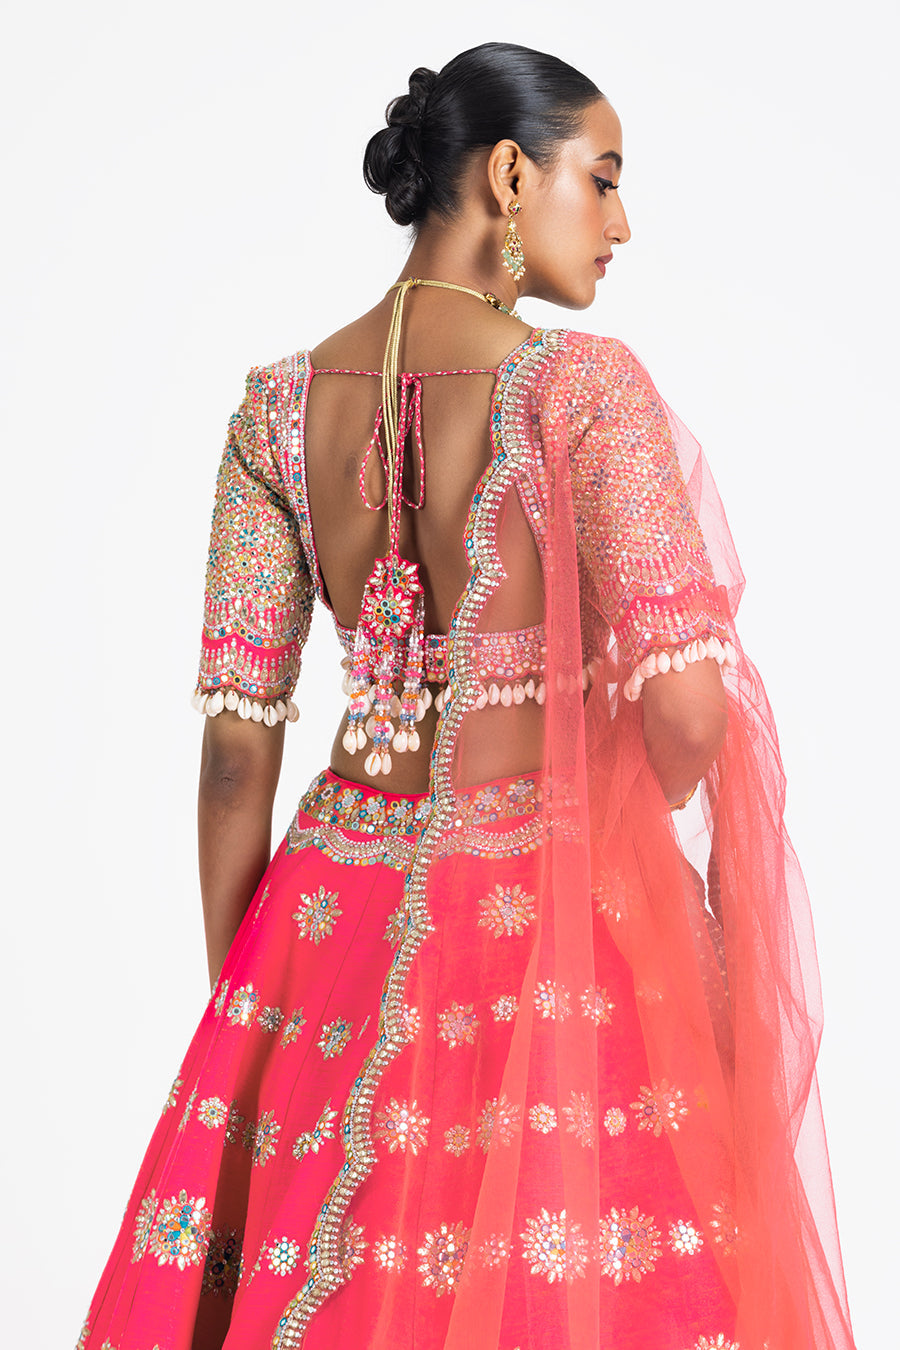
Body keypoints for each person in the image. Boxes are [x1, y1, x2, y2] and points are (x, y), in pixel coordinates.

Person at [76, 41, 856, 1350]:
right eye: (601, 178)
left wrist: (254, 1014)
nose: (620, 224)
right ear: (508, 175)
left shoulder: (275, 414)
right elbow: (691, 710)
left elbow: (233, 754)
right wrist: (623, 821)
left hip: (322, 918)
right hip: (541, 917)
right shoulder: (583, 392)